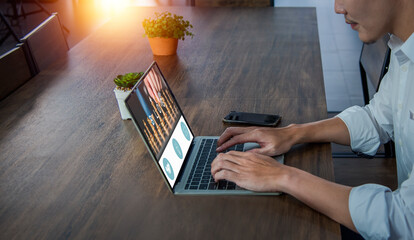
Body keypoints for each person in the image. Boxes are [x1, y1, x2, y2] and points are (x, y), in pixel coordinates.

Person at [211, 0, 414, 238]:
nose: (338, 8)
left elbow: (404, 218)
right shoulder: (404, 49)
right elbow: (377, 118)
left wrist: (283, 176)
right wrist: (293, 133)